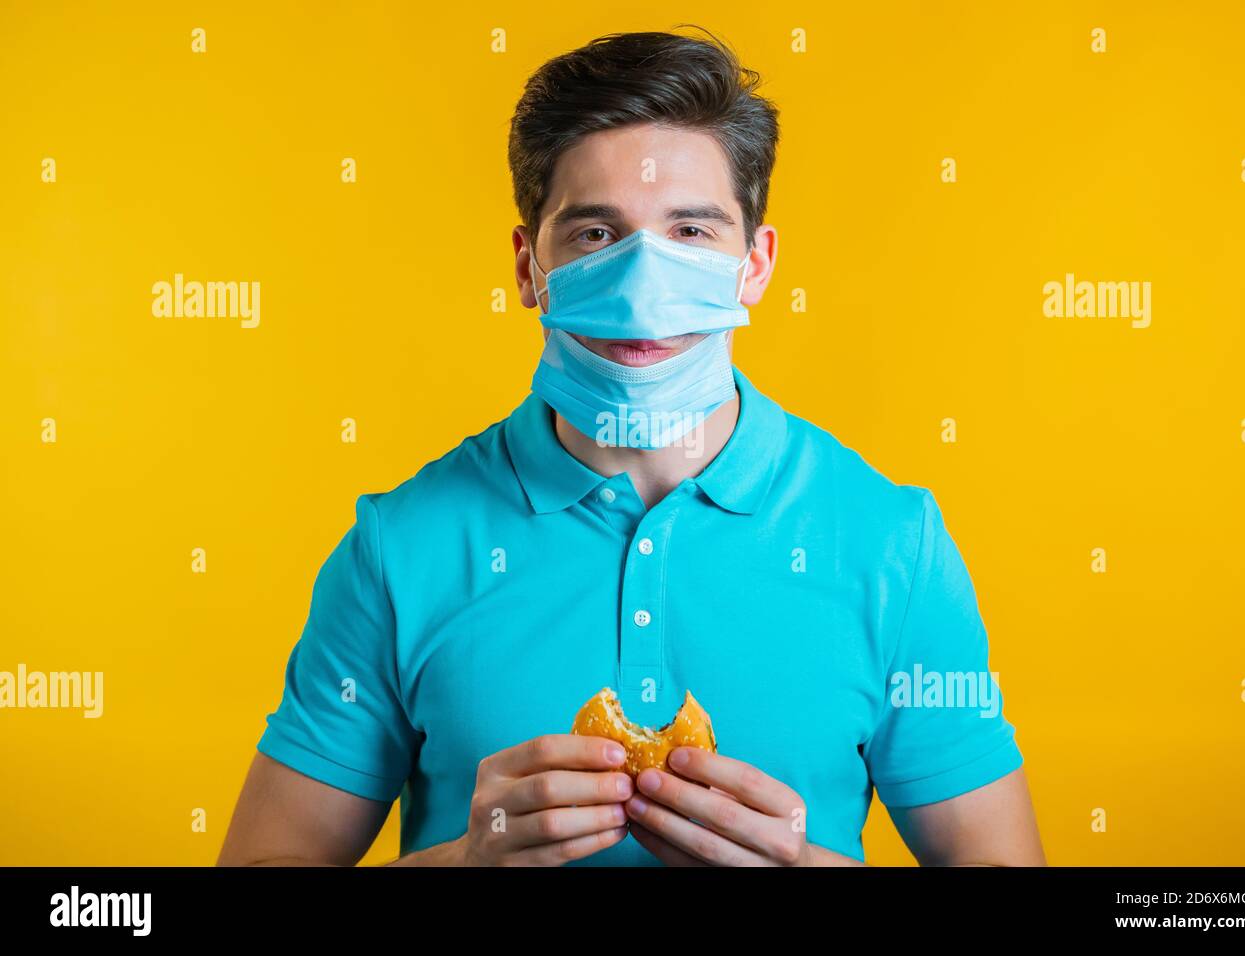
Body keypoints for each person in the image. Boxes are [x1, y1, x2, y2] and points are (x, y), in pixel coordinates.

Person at [218, 27, 1046, 867]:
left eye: (690, 233)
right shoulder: (398, 550)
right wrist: (457, 863)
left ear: (754, 266)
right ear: (526, 266)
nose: (644, 285)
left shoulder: (891, 545)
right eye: (595, 236)